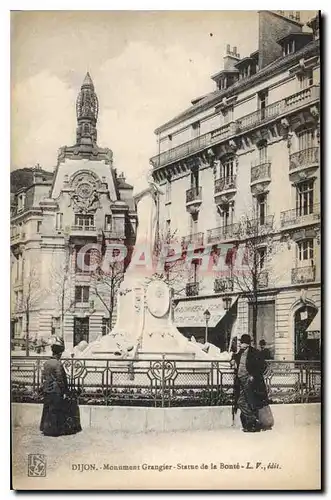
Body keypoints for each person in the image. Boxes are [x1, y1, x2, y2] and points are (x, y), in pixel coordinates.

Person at [40, 337, 81, 437]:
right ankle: (53, 431)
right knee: (55, 410)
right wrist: (65, 391)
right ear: (59, 354)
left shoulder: (46, 363)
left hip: (47, 389)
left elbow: (43, 376)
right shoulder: (58, 364)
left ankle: (44, 428)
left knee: (47, 409)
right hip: (55, 391)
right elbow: (61, 379)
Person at [232, 334, 269, 433]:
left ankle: (253, 423)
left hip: (250, 381)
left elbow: (263, 366)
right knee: (244, 402)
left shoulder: (255, 353)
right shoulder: (240, 352)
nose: (240, 344)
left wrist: (253, 375)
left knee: (245, 402)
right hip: (241, 381)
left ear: (247, 344)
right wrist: (233, 359)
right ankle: (252, 423)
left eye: (242, 342)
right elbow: (236, 359)